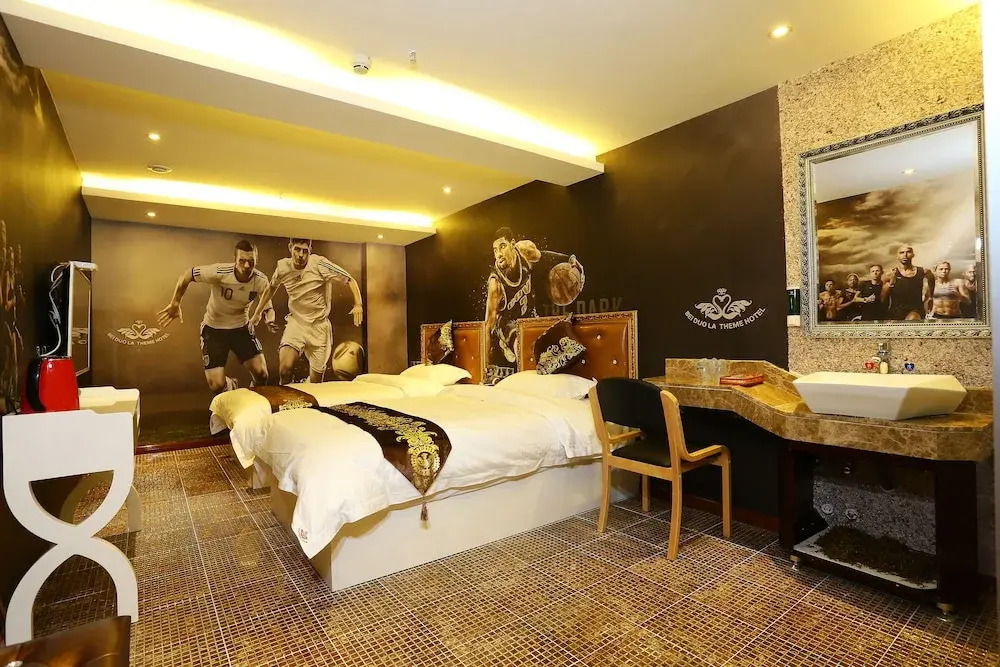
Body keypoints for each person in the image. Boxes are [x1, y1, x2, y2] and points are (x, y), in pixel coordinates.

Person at [157, 239, 272, 393]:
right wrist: (175, 302)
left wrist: (268, 317)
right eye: (242, 261)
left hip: (241, 329)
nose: (246, 266)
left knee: (262, 375)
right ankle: (232, 385)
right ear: (235, 260)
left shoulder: (261, 280)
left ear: (256, 260)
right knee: (217, 385)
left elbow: (268, 306)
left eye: (251, 261)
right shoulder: (219, 272)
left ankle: (253, 400)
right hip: (214, 330)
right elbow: (188, 274)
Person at [250, 238, 363, 384]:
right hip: (296, 323)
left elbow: (350, 279)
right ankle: (286, 398)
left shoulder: (319, 264)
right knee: (285, 369)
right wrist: (257, 313)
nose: (301, 255)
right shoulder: (282, 267)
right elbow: (271, 287)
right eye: (297, 249)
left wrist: (358, 304)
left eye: (305, 251)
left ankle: (307, 385)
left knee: (316, 383)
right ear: (290, 247)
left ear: (310, 250)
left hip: (319, 329)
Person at [483, 227, 584, 384]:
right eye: (495, 250)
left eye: (502, 247)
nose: (499, 254)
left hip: (529, 315)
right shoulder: (495, 284)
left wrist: (569, 259)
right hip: (508, 324)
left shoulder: (524, 251)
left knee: (549, 351)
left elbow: (544, 256)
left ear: (512, 244)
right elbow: (488, 325)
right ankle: (523, 376)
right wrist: (485, 365)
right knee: (523, 347)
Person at [882, 244, 931, 320]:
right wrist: (890, 284)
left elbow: (932, 281)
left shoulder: (923, 271)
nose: (905, 255)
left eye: (908, 252)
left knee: (912, 318)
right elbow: (882, 298)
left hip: (916, 310)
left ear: (913, 255)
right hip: (896, 312)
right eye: (902, 252)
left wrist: (930, 297)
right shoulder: (890, 274)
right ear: (897, 256)